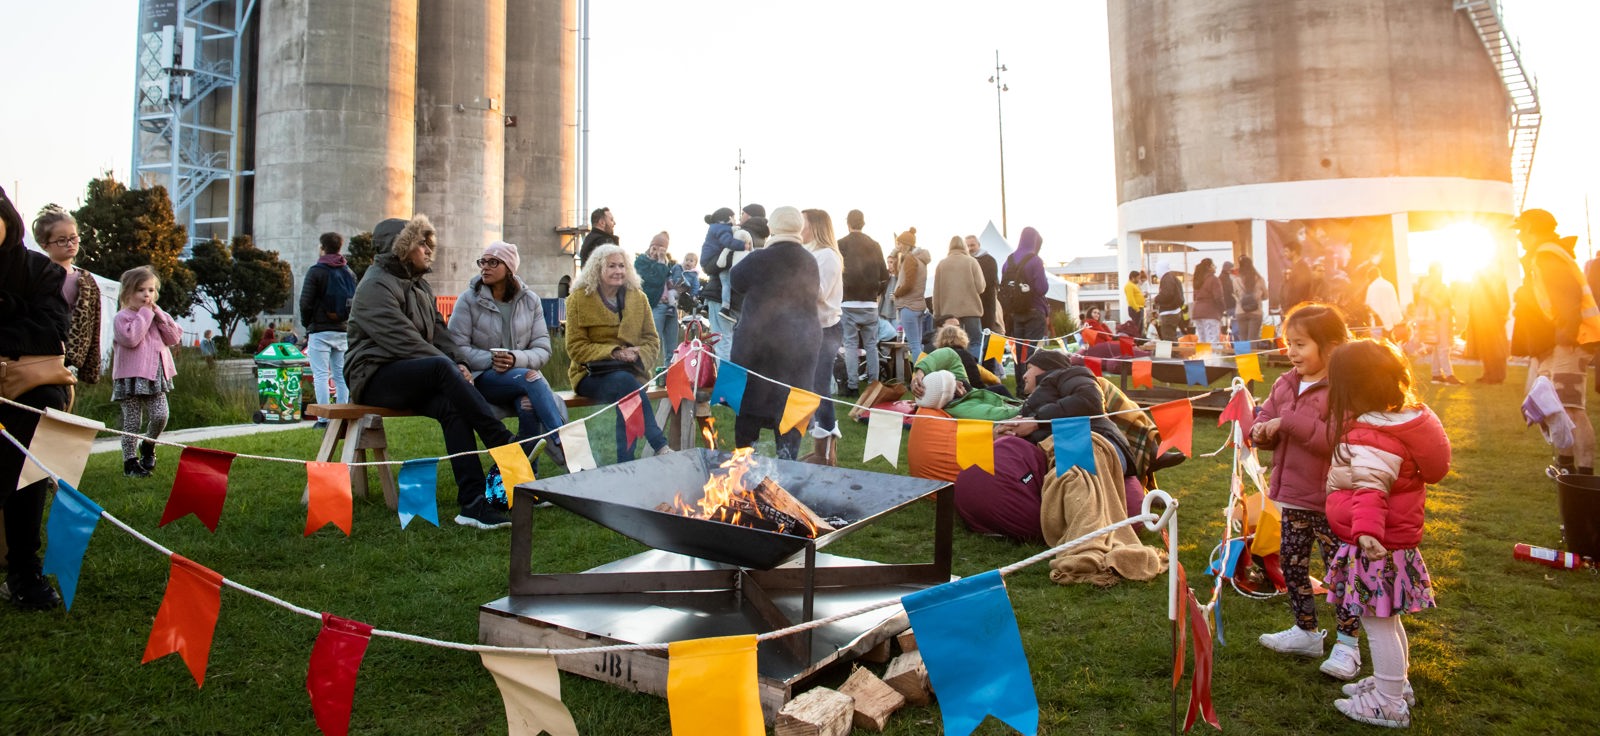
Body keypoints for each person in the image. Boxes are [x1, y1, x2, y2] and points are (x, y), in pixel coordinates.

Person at [346, 215, 520, 530]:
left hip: (411, 371)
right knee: (441, 367)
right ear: (400, 247)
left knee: (452, 408)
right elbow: (404, 340)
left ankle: (473, 504)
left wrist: (462, 363)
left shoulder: (420, 286)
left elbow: (441, 334)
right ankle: (502, 440)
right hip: (373, 375)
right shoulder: (374, 285)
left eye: (429, 243)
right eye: (421, 243)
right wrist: (450, 367)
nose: (429, 250)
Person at [1324, 339, 1451, 728]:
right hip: (1395, 543)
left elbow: (1370, 491)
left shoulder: (1370, 434)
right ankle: (1395, 683)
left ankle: (1389, 703)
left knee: (1376, 623)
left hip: (1375, 547)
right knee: (1387, 620)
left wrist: (1364, 534)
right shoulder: (1408, 420)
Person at [1250, 302, 1363, 679]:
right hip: (1293, 496)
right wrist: (1261, 430)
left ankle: (1349, 645)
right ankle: (1306, 630)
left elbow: (1335, 439)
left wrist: (1288, 423)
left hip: (1333, 501)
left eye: (1300, 344)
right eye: (1288, 343)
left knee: (1342, 574)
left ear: (1329, 348)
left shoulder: (1345, 390)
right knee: (1292, 566)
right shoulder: (1286, 383)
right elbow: (1266, 415)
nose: (1291, 352)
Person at [0, 185, 72, 610]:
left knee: (31, 437)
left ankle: (23, 569)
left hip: (27, 389)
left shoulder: (39, 271)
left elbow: (50, 333)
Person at [449, 241, 568, 468]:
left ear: (510, 268)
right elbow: (456, 347)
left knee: (527, 404)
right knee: (530, 378)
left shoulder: (530, 300)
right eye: (482, 262)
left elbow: (543, 348)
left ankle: (525, 483)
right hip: (482, 378)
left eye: (493, 262)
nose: (485, 267)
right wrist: (492, 361)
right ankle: (560, 440)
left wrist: (515, 359)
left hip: (519, 380)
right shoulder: (468, 299)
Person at [727, 207, 821, 459]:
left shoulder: (760, 258)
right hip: (799, 345)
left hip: (760, 344)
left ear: (773, 228)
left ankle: (743, 470)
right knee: (790, 411)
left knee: (750, 411)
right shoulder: (809, 260)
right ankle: (787, 470)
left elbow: (735, 280)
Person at [1511, 207, 1598, 476]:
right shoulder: (1544, 256)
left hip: (1570, 342)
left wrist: (1565, 336)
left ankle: (1583, 476)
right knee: (1556, 407)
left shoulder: (1549, 256)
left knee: (1571, 409)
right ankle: (1567, 469)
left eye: (1521, 230)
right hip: (1560, 343)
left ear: (1532, 229)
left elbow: (1568, 300)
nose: (1519, 237)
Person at [566, 243, 671, 462]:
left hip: (630, 372)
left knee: (626, 389)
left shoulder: (638, 298)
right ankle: (657, 444)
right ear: (597, 269)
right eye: (611, 266)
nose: (618, 271)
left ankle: (625, 464)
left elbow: (652, 340)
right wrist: (613, 353)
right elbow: (575, 346)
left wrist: (637, 354)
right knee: (626, 385)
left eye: (622, 266)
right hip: (590, 374)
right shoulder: (578, 299)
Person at [111, 266, 182, 478]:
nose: (147, 295)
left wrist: (159, 316)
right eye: (141, 290)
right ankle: (130, 462)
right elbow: (131, 339)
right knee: (132, 421)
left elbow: (173, 338)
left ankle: (148, 445)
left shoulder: (157, 315)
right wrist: (144, 314)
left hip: (156, 374)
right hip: (129, 376)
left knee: (161, 415)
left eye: (151, 290)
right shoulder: (122, 317)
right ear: (128, 293)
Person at [33, 204, 102, 387]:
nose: (70, 244)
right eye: (62, 240)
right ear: (45, 245)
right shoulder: (38, 276)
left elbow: (94, 327)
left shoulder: (87, 281)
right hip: (43, 354)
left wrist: (91, 367)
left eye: (73, 238)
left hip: (73, 357)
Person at [801, 208, 845, 464]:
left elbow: (819, 292)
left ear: (815, 226)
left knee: (820, 387)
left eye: (802, 223)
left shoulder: (828, 255)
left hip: (825, 330)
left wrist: (790, 280)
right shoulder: (809, 253)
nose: (798, 228)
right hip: (806, 329)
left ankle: (827, 453)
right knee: (807, 387)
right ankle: (818, 446)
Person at [299, 232, 356, 423]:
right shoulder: (349, 272)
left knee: (321, 375)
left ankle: (323, 420)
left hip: (320, 330)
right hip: (342, 330)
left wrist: (308, 324)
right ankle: (342, 416)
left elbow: (305, 303)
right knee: (341, 376)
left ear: (322, 247)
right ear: (340, 247)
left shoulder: (316, 271)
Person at [839, 210, 889, 395]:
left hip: (848, 302)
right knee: (871, 345)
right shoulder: (874, 245)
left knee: (850, 345)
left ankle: (852, 386)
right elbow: (885, 274)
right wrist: (877, 292)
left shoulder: (841, 244)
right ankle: (874, 384)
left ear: (848, 223)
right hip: (870, 302)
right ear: (863, 223)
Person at [698, 206, 751, 363]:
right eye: (736, 216)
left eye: (741, 215)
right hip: (742, 299)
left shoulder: (729, 231)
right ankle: (736, 381)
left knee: (723, 342)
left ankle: (725, 381)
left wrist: (742, 246)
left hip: (719, 291)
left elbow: (725, 247)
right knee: (732, 343)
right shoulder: (737, 232)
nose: (738, 219)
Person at [635, 231, 687, 369]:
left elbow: (668, 281)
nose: (657, 251)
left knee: (672, 347)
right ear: (650, 245)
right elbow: (655, 280)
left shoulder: (666, 263)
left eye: (662, 248)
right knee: (652, 344)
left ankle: (669, 375)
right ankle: (645, 375)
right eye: (655, 247)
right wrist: (660, 262)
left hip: (670, 307)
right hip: (655, 306)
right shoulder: (641, 262)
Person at [1000, 226, 1051, 366]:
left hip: (1015, 312)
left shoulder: (1008, 260)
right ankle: (1031, 384)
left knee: (1018, 352)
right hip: (1034, 310)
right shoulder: (1035, 260)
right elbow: (1042, 288)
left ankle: (1021, 386)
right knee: (1032, 352)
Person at [932, 235, 985, 358]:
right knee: (975, 342)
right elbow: (981, 287)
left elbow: (936, 292)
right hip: (971, 310)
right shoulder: (972, 261)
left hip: (949, 313)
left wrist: (937, 313)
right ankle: (974, 369)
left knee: (951, 344)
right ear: (964, 246)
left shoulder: (942, 264)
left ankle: (955, 370)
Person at [1416, 264, 1460, 385]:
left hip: (1441, 315)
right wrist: (1439, 305)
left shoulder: (1434, 284)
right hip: (1438, 316)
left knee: (1438, 346)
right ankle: (1449, 375)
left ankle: (1436, 374)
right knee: (1443, 347)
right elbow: (1428, 297)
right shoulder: (1430, 284)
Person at [891, 228, 930, 359]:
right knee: (918, 344)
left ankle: (920, 375)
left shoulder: (910, 259)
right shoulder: (920, 260)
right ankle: (924, 375)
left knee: (914, 345)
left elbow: (908, 284)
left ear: (906, 244)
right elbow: (898, 272)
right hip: (918, 305)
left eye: (900, 243)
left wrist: (896, 293)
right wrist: (896, 252)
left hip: (908, 305)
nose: (898, 246)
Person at [1467, 268, 1509, 385]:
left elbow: (1503, 302)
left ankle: (1496, 375)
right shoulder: (1482, 284)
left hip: (1493, 321)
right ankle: (1489, 373)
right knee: (1486, 350)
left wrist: (1502, 317)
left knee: (1496, 350)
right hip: (1483, 321)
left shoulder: (1496, 282)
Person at [1362, 264, 1403, 341]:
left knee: (1377, 346)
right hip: (1389, 323)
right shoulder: (1389, 285)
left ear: (1371, 277)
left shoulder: (1371, 287)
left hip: (1377, 325)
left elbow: (1368, 306)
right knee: (1390, 345)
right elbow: (1394, 304)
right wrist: (1396, 320)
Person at [1233, 256, 1268, 343]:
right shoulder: (1259, 279)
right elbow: (1266, 296)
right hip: (1255, 312)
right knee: (1253, 339)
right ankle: (1252, 355)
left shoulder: (1236, 280)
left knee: (1243, 339)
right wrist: (1258, 297)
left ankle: (1244, 356)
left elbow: (1236, 295)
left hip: (1240, 311)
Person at [1191, 258, 1224, 343]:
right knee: (1212, 339)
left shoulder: (1197, 280)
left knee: (1202, 340)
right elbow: (1218, 297)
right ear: (1209, 267)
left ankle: (1202, 356)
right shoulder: (1213, 279)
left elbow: (1194, 297)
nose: (1215, 267)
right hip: (1210, 312)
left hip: (1197, 313)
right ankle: (1213, 356)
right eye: (1213, 265)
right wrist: (1222, 309)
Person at [1151, 262, 1186, 341]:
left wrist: (1156, 299)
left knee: (1168, 338)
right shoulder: (1173, 277)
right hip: (1175, 311)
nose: (1156, 272)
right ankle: (1175, 352)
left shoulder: (1166, 279)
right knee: (1172, 336)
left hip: (1168, 313)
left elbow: (1167, 295)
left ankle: (1173, 353)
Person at [1123, 270, 1146, 336]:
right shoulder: (1129, 286)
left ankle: (1139, 341)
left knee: (1140, 327)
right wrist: (1137, 309)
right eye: (1138, 278)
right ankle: (1135, 342)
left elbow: (1136, 296)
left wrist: (1143, 296)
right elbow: (1130, 299)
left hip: (1139, 308)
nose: (1139, 280)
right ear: (1133, 278)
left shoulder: (1134, 285)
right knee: (1136, 328)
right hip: (1136, 309)